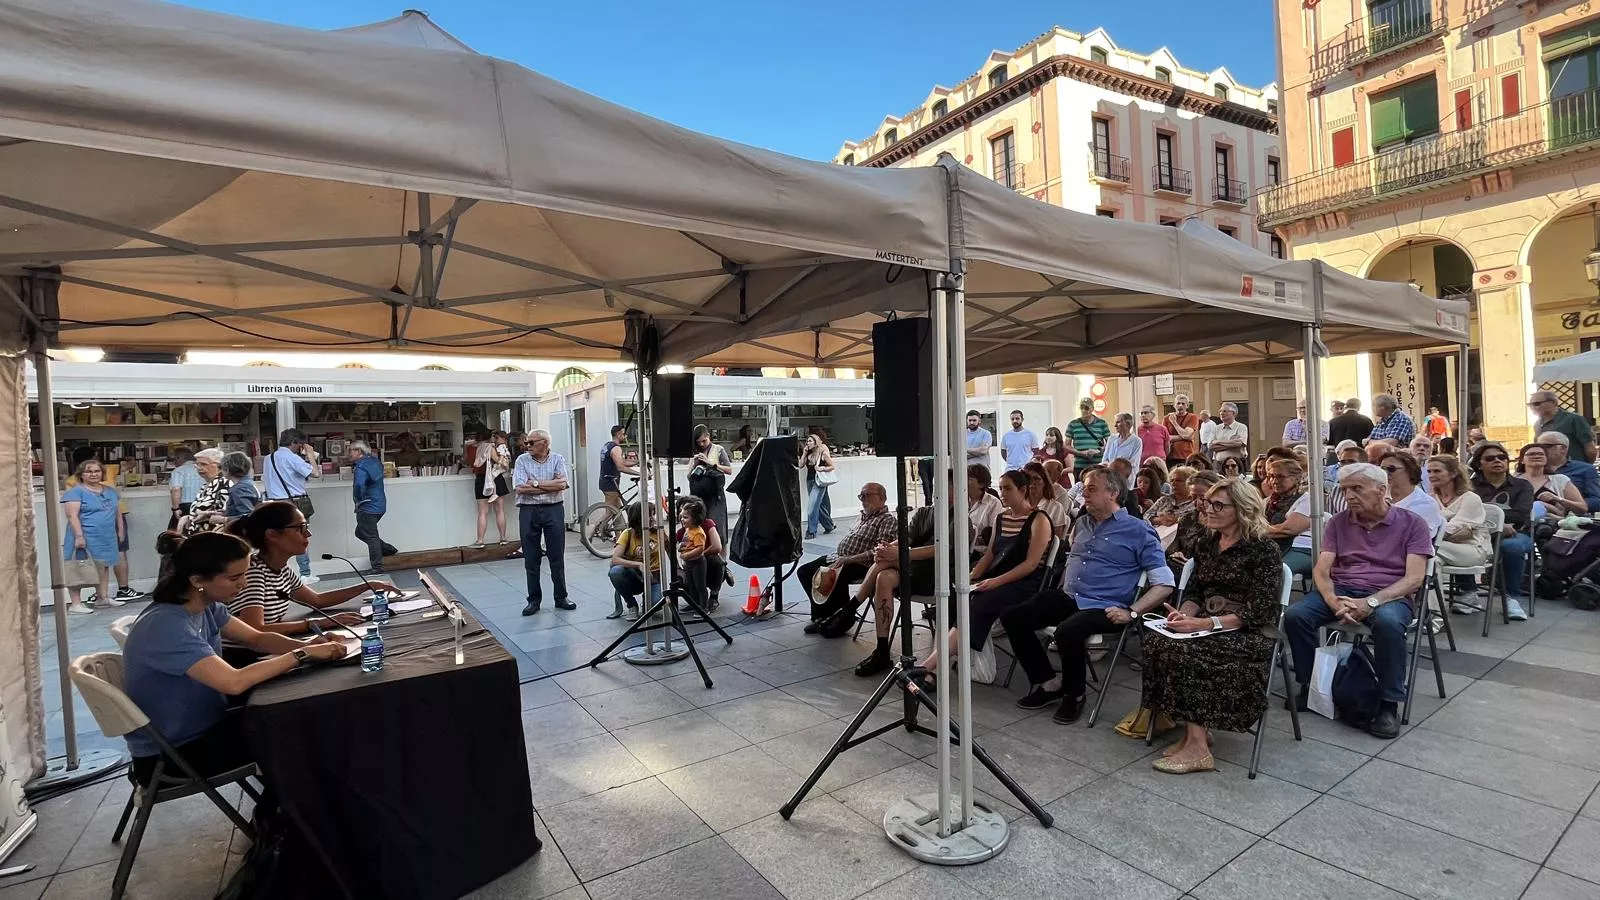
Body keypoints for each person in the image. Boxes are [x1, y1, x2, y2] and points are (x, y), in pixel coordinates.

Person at [121, 531, 347, 789]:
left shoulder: (205, 606)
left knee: (304, 716)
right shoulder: (166, 625)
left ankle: (285, 814)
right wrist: (301, 655)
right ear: (197, 581)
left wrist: (310, 645)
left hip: (207, 728)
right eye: (234, 577)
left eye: (245, 574)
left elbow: (256, 638)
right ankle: (286, 819)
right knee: (311, 732)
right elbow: (233, 682)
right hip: (174, 756)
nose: (244, 584)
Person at [1000, 467, 1176, 722]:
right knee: (1013, 617)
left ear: (1113, 493)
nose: (1084, 494)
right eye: (1083, 488)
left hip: (1107, 605)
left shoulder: (1138, 530)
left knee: (1068, 631)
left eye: (1092, 489)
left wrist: (1132, 611)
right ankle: (1048, 683)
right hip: (1070, 595)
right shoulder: (1082, 523)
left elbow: (1165, 584)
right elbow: (1073, 560)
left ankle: (1075, 695)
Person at [1141, 477, 1286, 774]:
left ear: (1243, 509)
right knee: (1159, 641)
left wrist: (1206, 624)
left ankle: (1197, 748)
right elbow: (1195, 590)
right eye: (1208, 503)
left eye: (1218, 505)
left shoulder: (1263, 550)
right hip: (1206, 621)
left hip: (1247, 629)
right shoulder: (1207, 543)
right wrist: (1183, 615)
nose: (1209, 509)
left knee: (1190, 651)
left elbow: (1259, 611)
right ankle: (1196, 730)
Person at [1282, 463, 1433, 739]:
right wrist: (1332, 600)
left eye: (1357, 488)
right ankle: (1310, 684)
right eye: (1345, 489)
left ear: (1381, 490)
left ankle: (1388, 703)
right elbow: (1321, 569)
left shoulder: (1413, 523)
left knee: (1388, 624)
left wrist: (1371, 603)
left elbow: (1414, 579)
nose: (1349, 495)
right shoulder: (1339, 523)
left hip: (1389, 593)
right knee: (1296, 616)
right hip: (1343, 588)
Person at [918, 470, 1052, 683]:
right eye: (1001, 489)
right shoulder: (1002, 518)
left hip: (1025, 583)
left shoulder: (1039, 519)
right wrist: (972, 576)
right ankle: (933, 669)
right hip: (999, 578)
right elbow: (990, 555)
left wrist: (994, 581)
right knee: (956, 596)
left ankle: (929, 667)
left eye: (1008, 488)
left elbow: (1031, 564)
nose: (1003, 494)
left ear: (1023, 490)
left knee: (978, 603)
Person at [222, 502, 385, 662]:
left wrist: (366, 585)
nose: (308, 534)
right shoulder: (254, 573)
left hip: (268, 649)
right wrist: (315, 624)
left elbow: (317, 600)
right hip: (244, 658)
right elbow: (255, 629)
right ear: (271, 534)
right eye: (300, 528)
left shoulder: (281, 569)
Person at [850, 505, 939, 677]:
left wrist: (897, 553)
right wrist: (888, 548)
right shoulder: (924, 512)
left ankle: (850, 608)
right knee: (883, 576)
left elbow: (941, 549)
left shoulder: (959, 518)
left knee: (884, 561)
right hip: (911, 566)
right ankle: (882, 647)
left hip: (935, 574)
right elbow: (907, 537)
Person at [797, 482, 897, 633]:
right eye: (861, 496)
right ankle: (822, 615)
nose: (863, 499)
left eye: (867, 496)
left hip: (862, 564)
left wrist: (849, 559)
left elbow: (879, 552)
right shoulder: (862, 516)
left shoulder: (886, 519)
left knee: (839, 574)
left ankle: (842, 618)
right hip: (840, 557)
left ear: (881, 498)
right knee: (805, 571)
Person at [1470, 442, 1532, 620]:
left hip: (1516, 532)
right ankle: (1469, 592)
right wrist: (1496, 524)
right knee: (1460, 544)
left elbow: (1520, 515)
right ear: (1479, 464)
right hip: (1478, 533)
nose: (1497, 461)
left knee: (1512, 547)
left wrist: (1487, 514)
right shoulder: (1470, 486)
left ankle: (1511, 598)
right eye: (1490, 458)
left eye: (1502, 457)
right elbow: (1467, 512)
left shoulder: (1522, 485)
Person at [514, 430, 573, 614]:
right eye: (526, 442)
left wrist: (536, 484)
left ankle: (561, 597)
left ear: (544, 443)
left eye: (531, 443)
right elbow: (520, 488)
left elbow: (562, 485)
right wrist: (550, 485)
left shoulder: (557, 459)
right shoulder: (521, 461)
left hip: (553, 509)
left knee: (557, 556)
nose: (527, 446)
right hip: (528, 511)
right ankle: (533, 600)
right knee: (531, 558)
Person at [1428, 455, 1493, 616]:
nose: (1431, 475)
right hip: (1440, 548)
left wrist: (1429, 529)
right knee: (1430, 562)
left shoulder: (1470, 499)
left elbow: (1455, 529)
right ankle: (1434, 616)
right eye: (1429, 471)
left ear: (1453, 473)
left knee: (1418, 549)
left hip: (1472, 550)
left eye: (1437, 471)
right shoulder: (1430, 498)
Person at [61, 459, 123, 614]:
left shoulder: (110, 491)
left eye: (97, 471)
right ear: (81, 474)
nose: (93, 474)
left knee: (104, 566)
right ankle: (75, 603)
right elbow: (71, 516)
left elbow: (117, 512)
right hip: (85, 536)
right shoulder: (75, 492)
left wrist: (120, 531)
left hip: (106, 536)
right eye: (89, 471)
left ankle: (102, 598)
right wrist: (79, 536)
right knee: (77, 567)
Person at [262, 428, 318, 583]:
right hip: (294, 502)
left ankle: (277, 571)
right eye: (300, 445)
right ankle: (305, 573)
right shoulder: (291, 458)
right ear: (294, 442)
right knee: (300, 536)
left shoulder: (268, 458)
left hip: (275, 502)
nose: (300, 448)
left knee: (279, 538)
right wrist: (311, 455)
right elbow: (315, 473)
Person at [608, 503, 661, 621]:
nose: (653, 518)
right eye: (649, 515)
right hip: (635, 576)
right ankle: (632, 605)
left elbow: (670, 551)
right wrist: (639, 565)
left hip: (653, 577)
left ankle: (646, 602)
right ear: (639, 518)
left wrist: (678, 568)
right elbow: (614, 559)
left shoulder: (658, 532)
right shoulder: (627, 533)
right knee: (615, 571)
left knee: (656, 604)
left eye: (653, 514)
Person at [1265, 459, 1315, 576]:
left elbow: (1287, 530)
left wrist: (1253, 531)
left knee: (1275, 572)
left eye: (1280, 477)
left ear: (1297, 478)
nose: (1274, 481)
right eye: (1271, 476)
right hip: (1275, 547)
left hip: (1303, 549)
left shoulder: (1307, 500)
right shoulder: (1270, 501)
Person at [348, 440, 389, 573]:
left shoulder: (361, 467)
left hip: (367, 505)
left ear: (359, 452)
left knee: (370, 536)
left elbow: (359, 485)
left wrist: (359, 499)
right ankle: (388, 549)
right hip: (379, 504)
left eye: (351, 450)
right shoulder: (376, 462)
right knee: (360, 532)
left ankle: (377, 566)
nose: (349, 453)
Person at [1515, 442, 1587, 517]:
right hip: (1519, 524)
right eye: (1531, 454)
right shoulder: (1513, 481)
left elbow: (1582, 508)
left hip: (1554, 524)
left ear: (1546, 459)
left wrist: (1557, 499)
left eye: (1541, 454)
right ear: (1522, 460)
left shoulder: (1560, 480)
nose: (1536, 456)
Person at [1379, 451, 1442, 534]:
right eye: (1382, 469)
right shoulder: (1377, 496)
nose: (1385, 473)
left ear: (1410, 471)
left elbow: (1403, 535)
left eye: (1391, 469)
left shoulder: (1425, 504)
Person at [689, 424, 733, 539]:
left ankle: (718, 548)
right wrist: (694, 463)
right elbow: (689, 476)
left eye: (704, 441)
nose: (702, 444)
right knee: (700, 523)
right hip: (699, 495)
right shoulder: (696, 452)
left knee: (716, 524)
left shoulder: (718, 449)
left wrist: (710, 463)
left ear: (709, 436)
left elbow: (729, 470)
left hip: (715, 496)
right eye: (699, 442)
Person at [1538, 431, 1600, 513]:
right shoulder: (1532, 469)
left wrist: (1567, 504)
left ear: (1563, 449)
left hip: (1573, 519)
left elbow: (1596, 500)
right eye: (1538, 446)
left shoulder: (1585, 469)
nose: (1540, 450)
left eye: (1546, 446)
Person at [1529, 389, 1596, 462]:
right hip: (1549, 470)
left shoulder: (1573, 419)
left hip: (1573, 468)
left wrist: (1586, 468)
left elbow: (1590, 449)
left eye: (1537, 403)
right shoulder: (1537, 424)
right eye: (1530, 405)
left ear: (1553, 403)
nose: (1533, 407)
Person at [472, 430, 511, 548]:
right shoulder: (491, 448)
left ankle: (480, 540)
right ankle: (503, 538)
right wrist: (503, 458)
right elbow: (502, 464)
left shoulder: (476, 448)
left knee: (482, 512)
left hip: (480, 480)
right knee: (499, 510)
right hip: (495, 480)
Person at [178, 449, 228, 537]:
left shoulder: (224, 484)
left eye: (204, 464)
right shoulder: (205, 485)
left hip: (214, 537)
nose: (199, 468)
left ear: (219, 467)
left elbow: (229, 513)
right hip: (197, 536)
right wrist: (186, 518)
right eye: (197, 464)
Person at [799, 432, 836, 539]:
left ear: (816, 443)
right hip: (810, 481)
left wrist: (822, 468)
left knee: (812, 506)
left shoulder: (822, 453)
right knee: (818, 506)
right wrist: (804, 453)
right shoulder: (808, 453)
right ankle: (829, 525)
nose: (808, 443)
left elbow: (832, 466)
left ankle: (811, 531)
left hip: (819, 482)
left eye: (810, 441)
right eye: (807, 441)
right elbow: (801, 465)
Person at [676, 496, 710, 609]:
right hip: (689, 563)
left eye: (685, 517)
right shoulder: (688, 530)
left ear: (695, 519)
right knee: (691, 585)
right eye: (682, 517)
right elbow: (685, 542)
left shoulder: (698, 533)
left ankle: (703, 607)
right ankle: (694, 604)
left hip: (698, 562)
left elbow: (699, 549)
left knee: (700, 585)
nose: (682, 520)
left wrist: (686, 555)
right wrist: (681, 547)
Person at [1023, 460, 1069, 538]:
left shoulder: (1055, 507)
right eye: (1027, 478)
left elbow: (1056, 539)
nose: (1031, 482)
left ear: (1044, 481)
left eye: (1036, 478)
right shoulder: (1018, 504)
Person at [598, 424, 638, 509]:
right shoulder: (616, 448)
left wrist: (638, 462)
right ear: (618, 434)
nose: (625, 436)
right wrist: (639, 473)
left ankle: (619, 522)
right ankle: (600, 523)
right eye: (624, 434)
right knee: (610, 512)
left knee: (617, 512)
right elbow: (620, 467)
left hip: (604, 481)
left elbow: (622, 461)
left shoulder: (607, 445)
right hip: (610, 483)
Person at [968, 464, 1003, 559]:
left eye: (969, 479)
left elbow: (993, 536)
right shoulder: (959, 501)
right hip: (958, 549)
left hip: (979, 553)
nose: (964, 481)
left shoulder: (993, 503)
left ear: (981, 484)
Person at [1066, 399, 1109, 476]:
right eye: (1081, 407)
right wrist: (1080, 453)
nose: (1083, 410)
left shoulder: (1102, 423)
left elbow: (1109, 443)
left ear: (1092, 409)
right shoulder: (1073, 424)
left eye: (1086, 408)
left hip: (1098, 464)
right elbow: (1066, 445)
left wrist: (1097, 451)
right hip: (1080, 465)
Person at [167, 447, 204, 531]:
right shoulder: (202, 469)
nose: (174, 462)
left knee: (176, 533)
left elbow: (176, 489)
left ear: (179, 457)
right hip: (202, 505)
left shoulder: (179, 471)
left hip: (185, 506)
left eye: (175, 458)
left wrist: (175, 508)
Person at [221, 452, 261, 519]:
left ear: (227, 470)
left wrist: (223, 519)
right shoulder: (248, 483)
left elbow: (247, 516)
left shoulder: (239, 489)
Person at [1165, 395, 1201, 465]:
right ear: (1174, 405)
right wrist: (1187, 437)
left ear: (1187, 406)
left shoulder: (1192, 417)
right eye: (1178, 403)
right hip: (1171, 455)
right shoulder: (1166, 418)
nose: (1180, 405)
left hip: (1186, 455)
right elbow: (1166, 438)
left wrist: (1174, 422)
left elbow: (1186, 435)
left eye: (1183, 403)